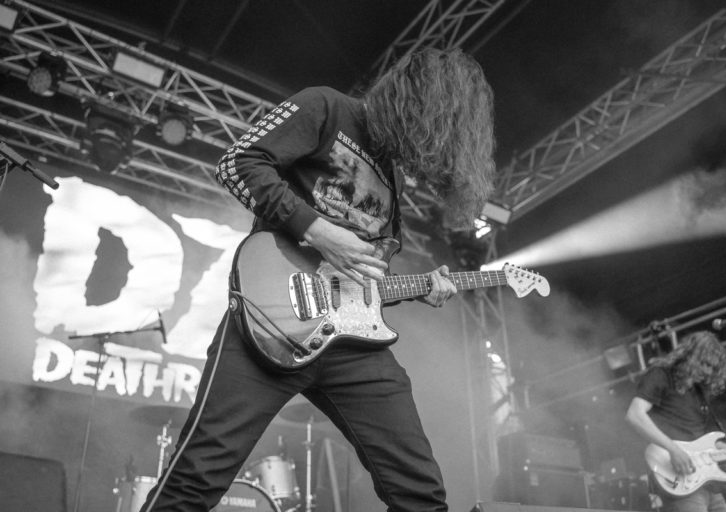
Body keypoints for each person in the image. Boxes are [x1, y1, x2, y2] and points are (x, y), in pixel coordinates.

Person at [140, 47, 495, 511]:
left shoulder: (392, 179)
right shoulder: (326, 107)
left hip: (353, 347)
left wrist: (424, 287)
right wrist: (320, 232)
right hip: (269, 322)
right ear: (417, 106)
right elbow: (238, 163)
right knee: (194, 482)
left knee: (420, 494)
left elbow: (361, 277)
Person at [625, 330, 726, 512]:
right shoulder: (661, 374)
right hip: (679, 478)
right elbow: (634, 415)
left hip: (708, 483)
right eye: (704, 363)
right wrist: (673, 450)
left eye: (712, 368)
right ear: (690, 355)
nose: (707, 371)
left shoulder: (699, 393)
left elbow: (709, 442)